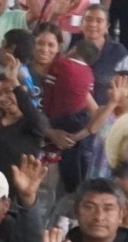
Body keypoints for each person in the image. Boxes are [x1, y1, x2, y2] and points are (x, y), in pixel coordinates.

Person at [43, 40, 99, 194]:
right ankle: (74, 189)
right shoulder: (89, 73)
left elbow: (48, 92)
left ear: (73, 49)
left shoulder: (60, 65)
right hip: (79, 120)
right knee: (73, 156)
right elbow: (89, 96)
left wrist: (47, 116)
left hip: (57, 118)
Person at [0, 68, 49, 189]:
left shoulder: (33, 123)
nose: (3, 98)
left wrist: (16, 85)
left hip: (19, 190)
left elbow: (35, 116)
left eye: (9, 91)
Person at [81, 4, 128, 105]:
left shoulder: (118, 52)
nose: (93, 24)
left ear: (107, 26)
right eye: (88, 19)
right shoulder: (73, 47)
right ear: (81, 23)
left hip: (106, 113)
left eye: (99, 21)